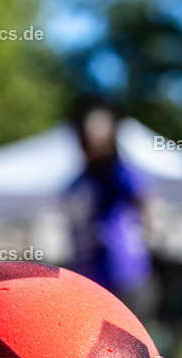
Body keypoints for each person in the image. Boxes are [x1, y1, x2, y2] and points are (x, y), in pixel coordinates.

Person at [66, 102, 157, 319]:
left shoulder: (119, 173)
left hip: (126, 274)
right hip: (93, 277)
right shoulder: (82, 181)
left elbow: (142, 199)